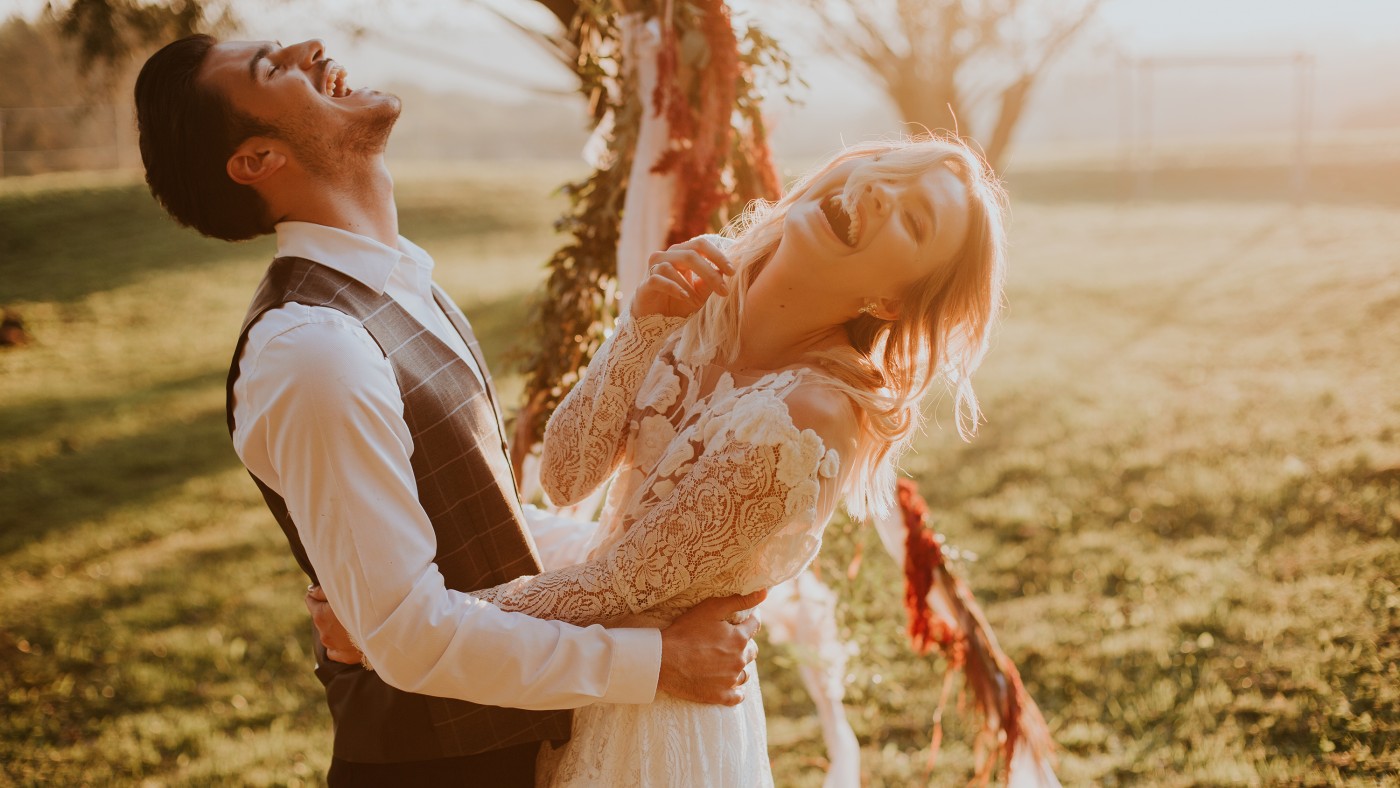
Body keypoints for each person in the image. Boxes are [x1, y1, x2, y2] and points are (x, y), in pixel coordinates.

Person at [132, 35, 764, 787]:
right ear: (257, 161)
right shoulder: (314, 351)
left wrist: (679, 551)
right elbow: (409, 634)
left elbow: (475, 523)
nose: (311, 46)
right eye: (274, 70)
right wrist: (657, 663)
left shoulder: (400, 284)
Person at [323, 135, 1009, 785]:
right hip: (578, 673)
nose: (880, 194)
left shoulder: (811, 415)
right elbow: (567, 477)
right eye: (886, 171)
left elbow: (615, 585)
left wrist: (398, 625)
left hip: (654, 730)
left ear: (887, 301)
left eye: (914, 221)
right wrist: (642, 326)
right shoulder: (702, 295)